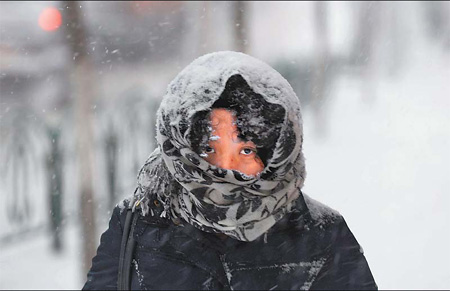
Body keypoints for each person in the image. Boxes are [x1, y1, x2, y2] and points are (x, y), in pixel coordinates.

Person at [83, 51, 377, 290]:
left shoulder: (320, 234)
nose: (225, 169)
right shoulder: (138, 223)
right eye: (210, 150)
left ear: (277, 153)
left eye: (246, 151)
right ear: (180, 149)